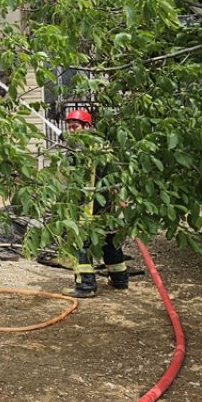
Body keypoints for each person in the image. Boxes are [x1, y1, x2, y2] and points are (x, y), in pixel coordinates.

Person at [59, 107, 130, 298]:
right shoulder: (103, 147)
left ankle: (86, 286)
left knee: (81, 245)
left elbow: (76, 167)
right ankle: (120, 279)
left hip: (87, 209)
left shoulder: (83, 149)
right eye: (69, 128)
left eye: (75, 127)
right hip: (108, 209)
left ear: (87, 127)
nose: (72, 131)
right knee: (110, 242)